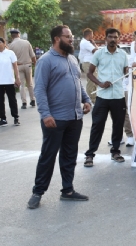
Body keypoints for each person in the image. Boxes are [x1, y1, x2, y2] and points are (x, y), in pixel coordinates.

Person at [27, 25, 93, 209]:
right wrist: (45, 114)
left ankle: (68, 190)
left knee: (69, 155)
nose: (72, 40)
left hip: (74, 117)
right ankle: (37, 192)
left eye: (71, 36)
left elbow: (78, 82)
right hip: (55, 118)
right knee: (48, 156)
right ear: (57, 38)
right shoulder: (46, 61)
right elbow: (39, 89)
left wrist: (86, 99)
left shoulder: (72, 59)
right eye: (68, 37)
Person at [84, 28, 128, 167]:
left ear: (118, 39)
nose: (113, 39)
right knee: (97, 125)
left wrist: (127, 72)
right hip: (103, 96)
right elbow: (90, 73)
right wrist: (100, 84)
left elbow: (125, 71)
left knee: (118, 125)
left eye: (115, 37)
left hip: (118, 95)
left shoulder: (123, 55)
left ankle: (115, 151)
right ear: (106, 38)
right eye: (110, 37)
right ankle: (90, 154)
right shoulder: (99, 53)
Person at [0, 37, 21, 127]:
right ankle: (3, 119)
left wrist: (17, 78)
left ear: (4, 43)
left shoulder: (10, 53)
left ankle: (16, 117)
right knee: (0, 101)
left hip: (9, 80)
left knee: (12, 100)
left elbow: (15, 66)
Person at [9, 29, 37, 110]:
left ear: (12, 36)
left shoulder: (11, 46)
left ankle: (24, 102)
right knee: (30, 84)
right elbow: (32, 55)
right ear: (19, 34)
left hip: (18, 66)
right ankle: (33, 100)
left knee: (22, 85)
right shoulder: (26, 42)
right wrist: (35, 64)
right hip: (28, 65)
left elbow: (10, 59)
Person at [79, 29, 99, 103]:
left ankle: (94, 99)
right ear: (89, 35)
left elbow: (97, 50)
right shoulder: (85, 43)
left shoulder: (87, 42)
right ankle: (90, 100)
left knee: (95, 81)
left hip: (91, 63)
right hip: (88, 63)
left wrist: (93, 43)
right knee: (91, 81)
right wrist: (94, 44)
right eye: (92, 34)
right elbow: (96, 51)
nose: (93, 36)